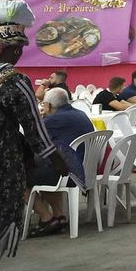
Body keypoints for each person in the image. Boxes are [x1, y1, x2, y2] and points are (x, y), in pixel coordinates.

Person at [0, 0, 58, 271]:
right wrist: (55, 158)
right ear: (12, 50)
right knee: (3, 212)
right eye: (19, 49)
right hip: (4, 160)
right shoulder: (17, 81)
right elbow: (35, 126)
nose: (21, 54)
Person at [29, 87, 93, 235]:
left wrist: (40, 118)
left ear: (49, 106)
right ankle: (58, 215)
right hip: (84, 169)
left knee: (20, 177)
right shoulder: (81, 114)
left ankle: (47, 218)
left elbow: (34, 139)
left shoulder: (52, 120)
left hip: (69, 173)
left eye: (43, 104)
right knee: (44, 169)